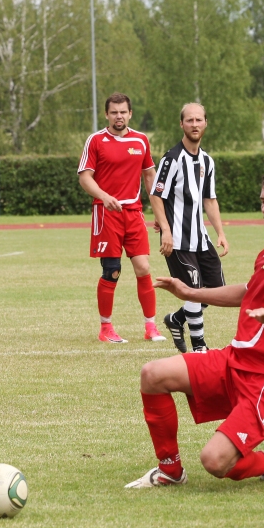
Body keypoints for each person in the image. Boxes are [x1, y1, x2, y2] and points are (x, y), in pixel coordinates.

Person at [125, 169, 264, 488]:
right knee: (153, 374)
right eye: (263, 200)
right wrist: (190, 293)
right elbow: (249, 292)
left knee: (215, 461)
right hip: (235, 361)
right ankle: (170, 471)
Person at [78, 93, 166, 344]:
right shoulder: (96, 140)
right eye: (114, 112)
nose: (119, 116)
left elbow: (150, 177)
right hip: (106, 214)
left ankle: (151, 327)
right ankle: (106, 328)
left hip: (134, 213)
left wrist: (159, 213)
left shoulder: (140, 140)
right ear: (107, 114)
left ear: (130, 114)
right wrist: (104, 197)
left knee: (144, 267)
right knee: (112, 271)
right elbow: (85, 177)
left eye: (123, 112)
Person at [149, 103, 229, 353]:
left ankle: (176, 319)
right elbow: (156, 195)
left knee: (217, 291)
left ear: (206, 123)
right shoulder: (172, 159)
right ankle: (199, 347)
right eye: (190, 120)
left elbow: (210, 199)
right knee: (193, 291)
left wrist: (221, 233)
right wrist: (166, 229)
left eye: (199, 120)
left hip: (201, 239)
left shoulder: (207, 161)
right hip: (178, 240)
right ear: (181, 124)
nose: (195, 124)